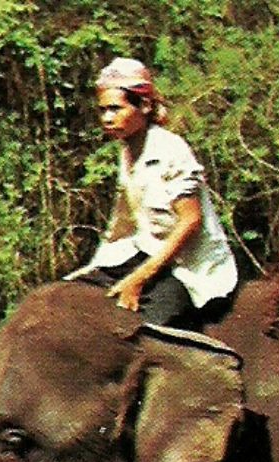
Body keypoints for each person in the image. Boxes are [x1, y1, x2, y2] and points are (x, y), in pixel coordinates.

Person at [67, 58, 237, 328]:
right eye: (102, 111)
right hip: (148, 250)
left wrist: (138, 280)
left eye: (115, 109)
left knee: (139, 332)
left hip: (186, 265)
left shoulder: (171, 150)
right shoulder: (127, 150)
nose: (107, 118)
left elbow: (190, 221)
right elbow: (124, 224)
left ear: (144, 106)